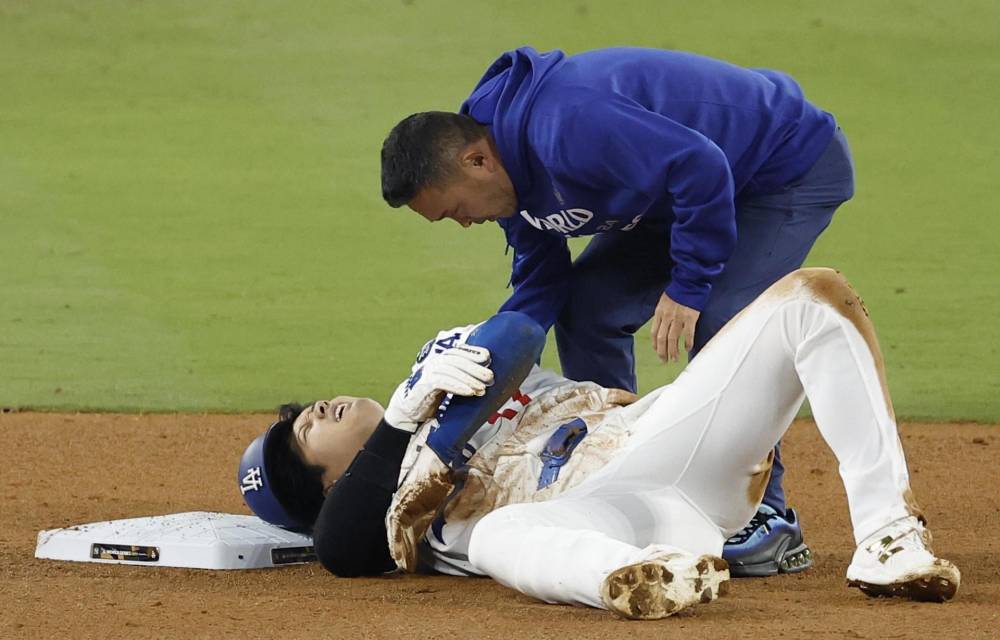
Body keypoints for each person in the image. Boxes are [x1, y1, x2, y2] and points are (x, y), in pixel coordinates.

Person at [238, 269, 959, 619]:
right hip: (595, 524)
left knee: (811, 296)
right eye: (307, 432)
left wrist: (435, 417)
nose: (317, 409)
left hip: (662, 442)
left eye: (305, 412)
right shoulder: (380, 517)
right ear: (331, 485)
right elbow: (340, 553)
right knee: (497, 536)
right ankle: (646, 577)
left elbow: (517, 332)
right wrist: (398, 432)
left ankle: (890, 539)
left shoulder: (441, 367)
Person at [379, 46, 857, 574]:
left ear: (476, 161)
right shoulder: (506, 184)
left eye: (455, 211)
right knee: (586, 308)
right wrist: (490, 358)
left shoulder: (567, 125)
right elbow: (542, 290)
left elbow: (701, 165)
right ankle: (609, 477)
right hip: (677, 195)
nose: (464, 224)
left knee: (723, 318)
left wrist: (689, 285)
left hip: (779, 167)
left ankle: (767, 517)